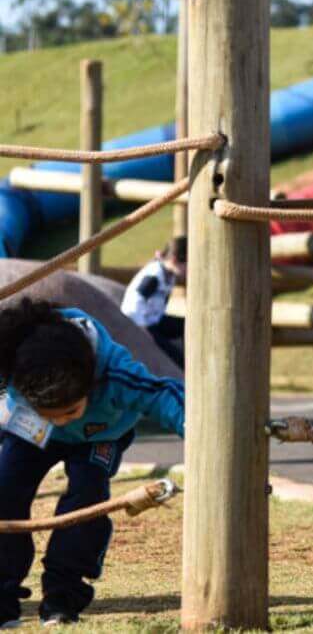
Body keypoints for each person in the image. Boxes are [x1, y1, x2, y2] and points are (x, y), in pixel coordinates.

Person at [0, 299, 184, 627]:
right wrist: (41, 416)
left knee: (87, 495)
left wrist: (198, 429)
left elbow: (162, 393)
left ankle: (62, 596)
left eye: (68, 412)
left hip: (99, 435)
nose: (59, 421)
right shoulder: (13, 356)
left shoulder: (115, 374)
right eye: (51, 415)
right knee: (4, 487)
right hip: (30, 429)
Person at [120, 236, 186, 365]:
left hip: (155, 320)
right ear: (174, 260)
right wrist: (143, 329)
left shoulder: (169, 275)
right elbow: (134, 301)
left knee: (186, 324)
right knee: (174, 357)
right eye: (186, 265)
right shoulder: (154, 275)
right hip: (140, 323)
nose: (187, 271)